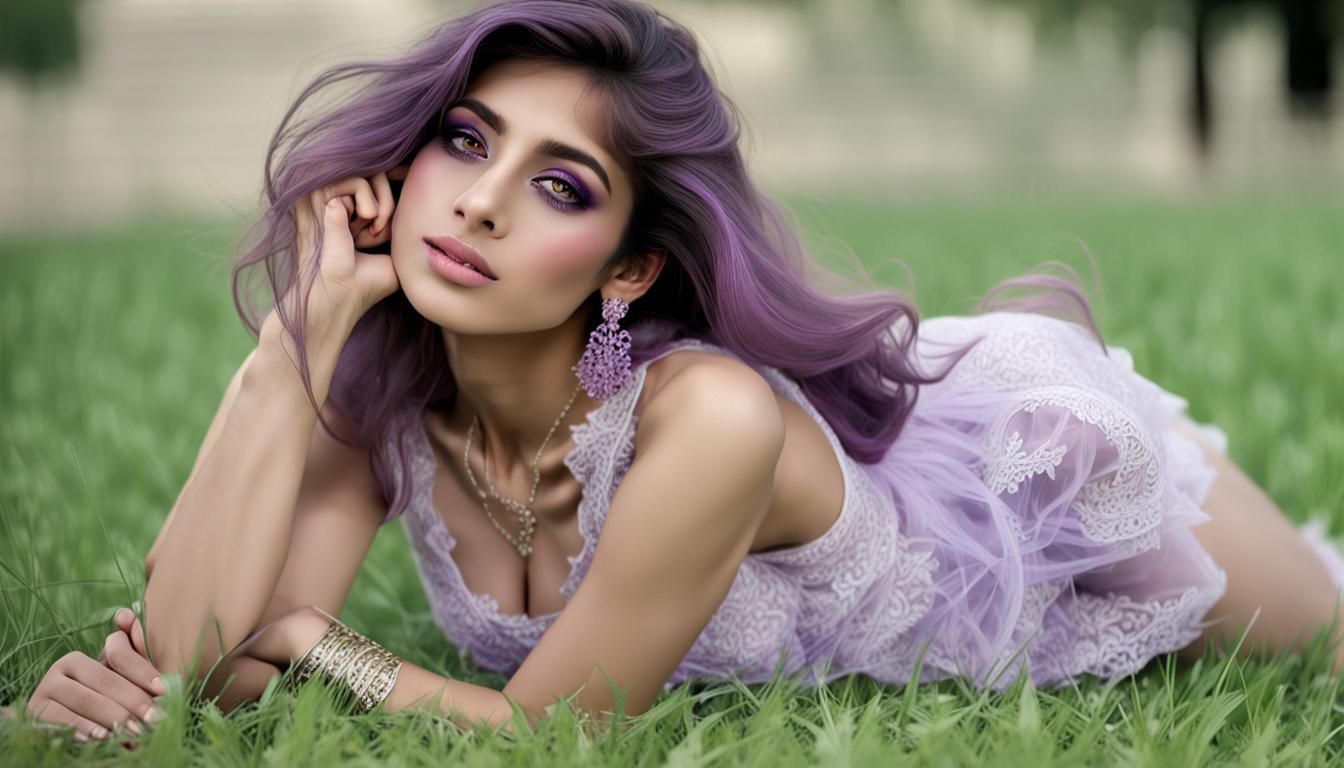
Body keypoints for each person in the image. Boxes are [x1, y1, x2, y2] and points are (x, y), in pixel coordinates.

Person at [9, 0, 1344, 744]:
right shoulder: (381, 394)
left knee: (1330, 650)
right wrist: (290, 343)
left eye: (560, 184)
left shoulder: (705, 418)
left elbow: (551, 732)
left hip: (1032, 472)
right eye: (466, 141)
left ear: (628, 270)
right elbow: (198, 656)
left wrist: (307, 640)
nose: (478, 205)